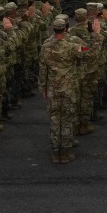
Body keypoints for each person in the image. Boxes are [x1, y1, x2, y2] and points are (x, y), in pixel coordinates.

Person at [38, 17, 90, 164]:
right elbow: (87, 50)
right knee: (67, 119)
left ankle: (56, 152)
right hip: (68, 89)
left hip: (52, 89)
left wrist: (43, 87)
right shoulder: (71, 46)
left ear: (53, 30)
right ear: (65, 29)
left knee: (55, 120)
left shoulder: (45, 47)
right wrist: (81, 41)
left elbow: (42, 69)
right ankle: (66, 151)